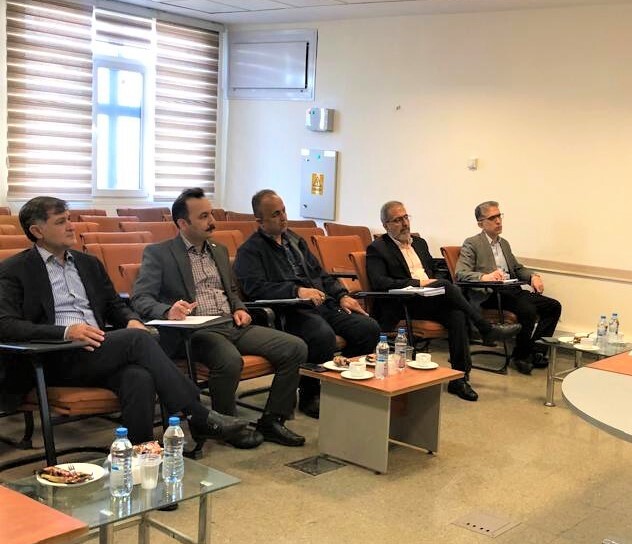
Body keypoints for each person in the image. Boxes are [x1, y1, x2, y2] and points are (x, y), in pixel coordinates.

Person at [0, 196, 250, 447]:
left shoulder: (87, 263)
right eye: (61, 222)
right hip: (52, 356)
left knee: (138, 377)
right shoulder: (14, 269)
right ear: (37, 231)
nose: (71, 226)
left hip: (96, 352)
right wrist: (66, 332)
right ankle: (198, 415)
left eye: (69, 219)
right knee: (137, 340)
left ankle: (140, 453)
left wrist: (131, 320)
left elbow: (115, 306)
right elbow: (6, 325)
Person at [132, 188, 309, 448]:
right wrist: (168, 310)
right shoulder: (159, 254)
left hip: (230, 323)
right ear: (183, 223)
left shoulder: (219, 250)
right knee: (229, 360)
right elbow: (140, 298)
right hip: (196, 331)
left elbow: (232, 292)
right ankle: (227, 425)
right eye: (203, 216)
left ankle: (272, 420)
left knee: (295, 347)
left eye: (211, 214)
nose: (212, 221)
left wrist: (239, 308)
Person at [234, 190, 381, 418]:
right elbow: (256, 289)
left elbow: (320, 275)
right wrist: (296, 290)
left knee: (367, 328)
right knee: (321, 335)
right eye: (275, 214)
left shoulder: (295, 241)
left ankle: (342, 387)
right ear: (260, 221)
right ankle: (310, 393)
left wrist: (342, 295)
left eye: (283, 211)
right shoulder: (250, 251)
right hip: (289, 311)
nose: (283, 217)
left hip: (320, 304)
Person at [366, 201, 520, 401]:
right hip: (402, 302)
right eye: (397, 220)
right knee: (447, 286)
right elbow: (380, 282)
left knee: (456, 314)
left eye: (406, 218)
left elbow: (433, 271)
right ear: (385, 225)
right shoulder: (378, 248)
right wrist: (419, 283)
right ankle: (484, 328)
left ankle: (459, 378)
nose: (405, 223)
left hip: (428, 300)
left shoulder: (419, 243)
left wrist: (432, 283)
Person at [455, 201, 561, 374]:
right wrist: (485, 277)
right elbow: (461, 273)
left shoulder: (503, 243)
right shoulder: (472, 243)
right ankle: (521, 356)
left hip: (512, 290)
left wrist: (533, 276)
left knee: (553, 306)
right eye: (492, 218)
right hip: (491, 294)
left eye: (499, 216)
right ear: (481, 223)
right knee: (527, 310)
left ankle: (535, 352)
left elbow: (517, 269)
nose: (498, 221)